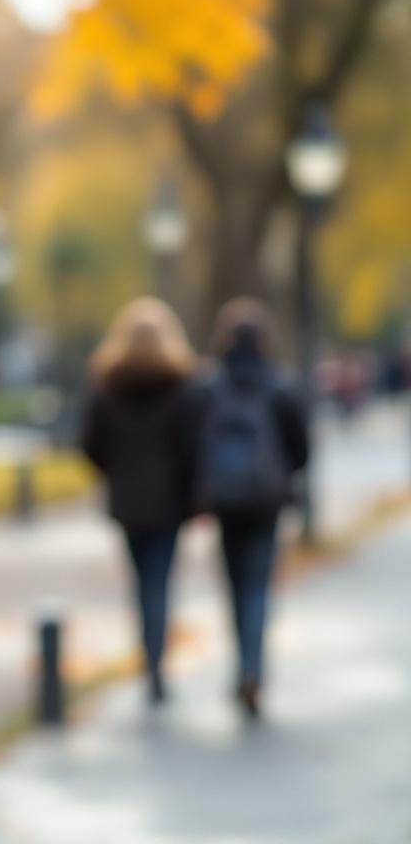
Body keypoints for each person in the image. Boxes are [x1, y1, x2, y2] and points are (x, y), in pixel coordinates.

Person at [81, 297, 200, 706]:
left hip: (129, 502)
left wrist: (116, 472)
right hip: (168, 503)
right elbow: (191, 446)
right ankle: (156, 662)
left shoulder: (109, 385)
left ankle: (149, 659)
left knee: (140, 582)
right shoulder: (181, 386)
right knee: (160, 582)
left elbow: (90, 444)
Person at [198, 297, 308, 719]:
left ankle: (241, 665)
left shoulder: (211, 384)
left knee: (234, 586)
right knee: (259, 587)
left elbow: (197, 443)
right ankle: (253, 668)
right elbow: (299, 446)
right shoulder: (278, 384)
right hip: (265, 501)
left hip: (226, 501)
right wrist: (284, 477)